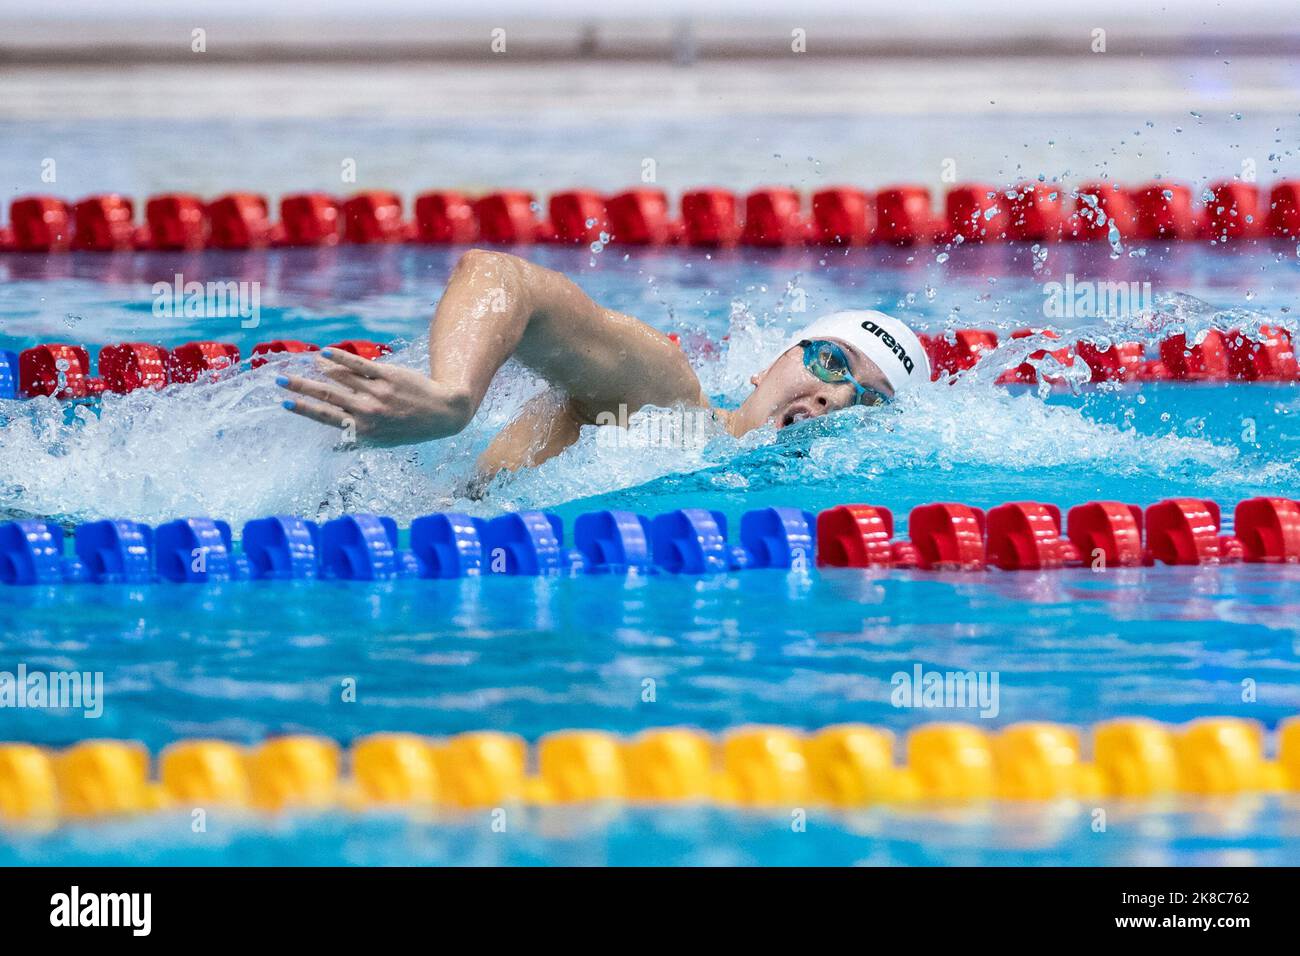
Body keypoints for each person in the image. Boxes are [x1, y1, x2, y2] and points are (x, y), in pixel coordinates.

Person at [277, 249, 930, 480]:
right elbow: (501, 276)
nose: (837, 399)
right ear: (765, 367)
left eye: (871, 400)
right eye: (831, 362)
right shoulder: (670, 403)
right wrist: (453, 398)